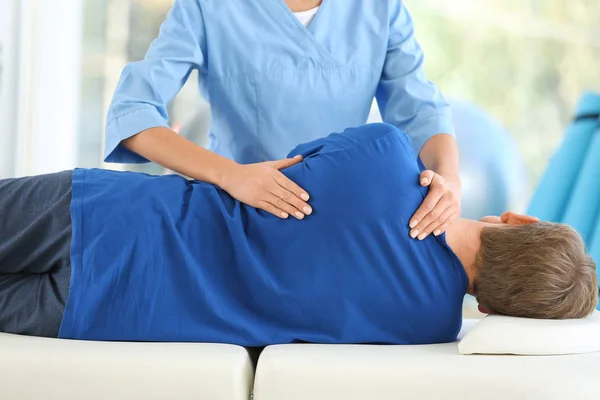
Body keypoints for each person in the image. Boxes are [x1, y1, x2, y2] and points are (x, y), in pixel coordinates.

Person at [0, 124, 597, 344]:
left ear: (521, 220)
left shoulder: (384, 154)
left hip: (104, 216)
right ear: (492, 308)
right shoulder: (425, 330)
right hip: (103, 312)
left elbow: (286, 165)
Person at [106, 0, 462, 241]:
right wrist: (232, 175)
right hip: (237, 221)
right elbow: (132, 112)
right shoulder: (208, 7)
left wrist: (449, 183)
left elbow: (421, 112)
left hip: (344, 222)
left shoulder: (379, 8)